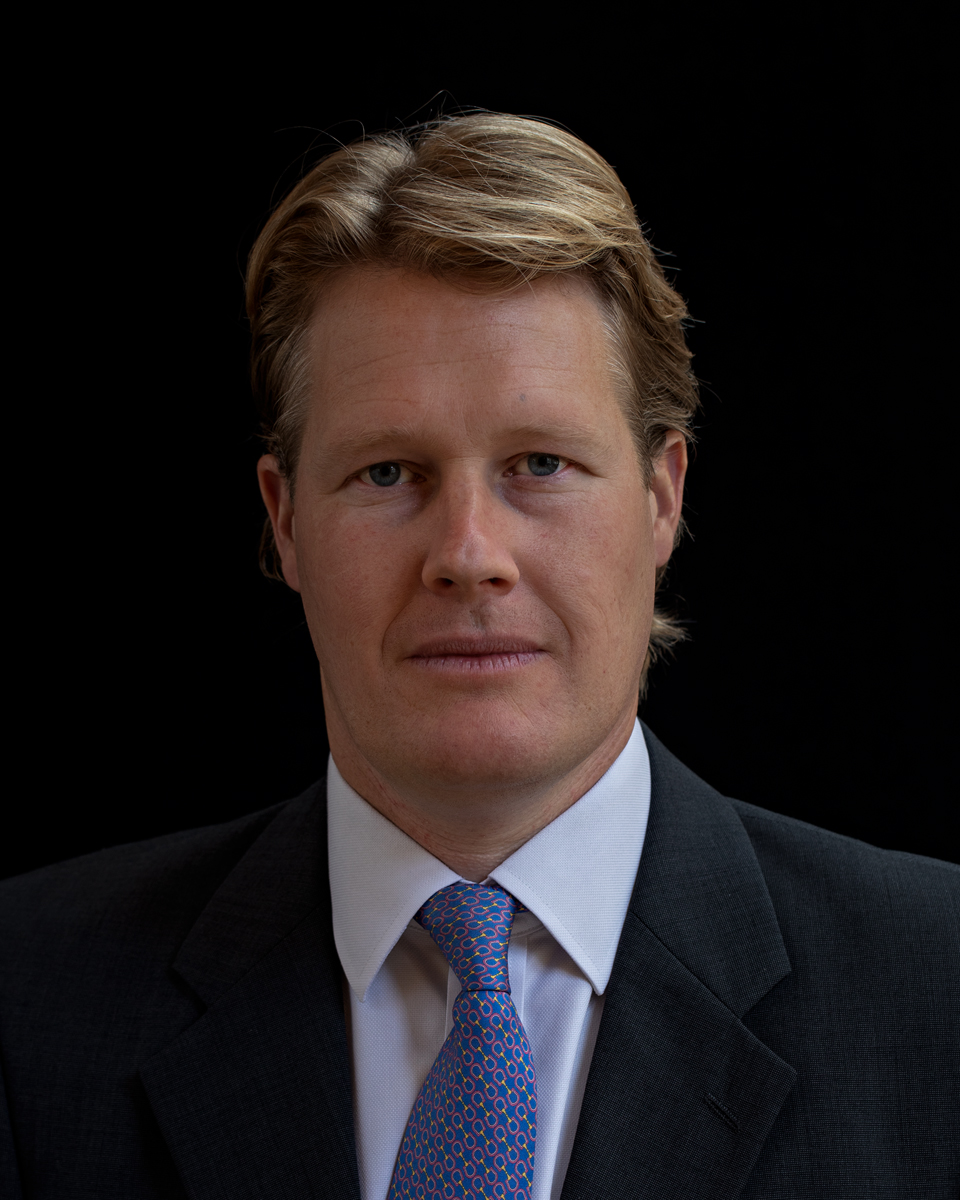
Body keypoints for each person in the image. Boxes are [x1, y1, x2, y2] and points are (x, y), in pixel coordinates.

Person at [1, 113, 957, 1200]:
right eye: (387, 473)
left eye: (539, 463)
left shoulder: (938, 990)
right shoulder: (28, 995)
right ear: (284, 521)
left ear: (662, 499)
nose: (467, 556)